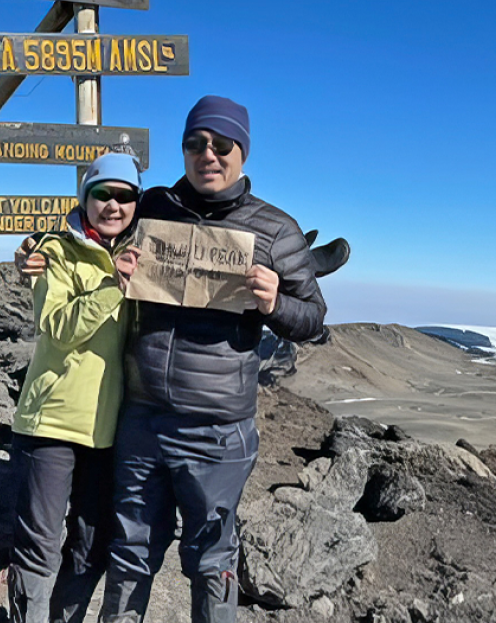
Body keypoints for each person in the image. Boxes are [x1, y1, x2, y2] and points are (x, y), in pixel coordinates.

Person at [99, 95, 327, 623]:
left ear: (242, 151)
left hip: (218, 431)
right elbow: (92, 226)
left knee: (211, 559)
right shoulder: (152, 207)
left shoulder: (275, 230)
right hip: (142, 416)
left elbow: (314, 317)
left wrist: (275, 303)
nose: (209, 154)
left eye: (222, 145)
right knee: (130, 550)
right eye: (195, 143)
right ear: (183, 150)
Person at [8, 151, 143, 623]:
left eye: (126, 196)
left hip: (107, 432)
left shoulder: (143, 258)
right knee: (39, 548)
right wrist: (113, 287)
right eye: (103, 194)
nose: (114, 205)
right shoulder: (55, 252)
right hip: (51, 423)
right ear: (85, 197)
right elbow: (60, 326)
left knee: (90, 549)